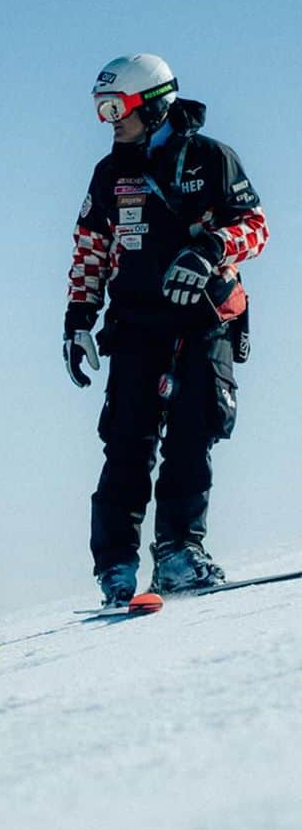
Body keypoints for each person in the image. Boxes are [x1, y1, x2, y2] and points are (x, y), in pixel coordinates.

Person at [63, 54, 268, 605]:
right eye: (101, 110)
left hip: (203, 322)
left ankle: (178, 554)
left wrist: (209, 251)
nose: (110, 120)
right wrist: (78, 319)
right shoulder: (111, 174)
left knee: (193, 433)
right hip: (134, 326)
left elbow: (254, 226)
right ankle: (117, 568)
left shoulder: (210, 158)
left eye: (117, 107)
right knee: (126, 442)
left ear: (154, 105)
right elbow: (90, 249)